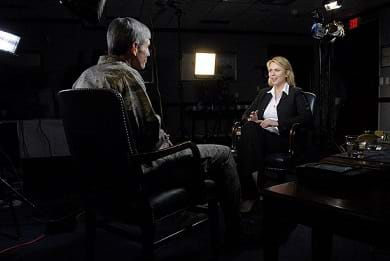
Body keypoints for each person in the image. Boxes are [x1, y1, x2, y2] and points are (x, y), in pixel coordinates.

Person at [72, 17, 241, 244]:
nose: (149, 53)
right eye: (147, 46)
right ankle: (235, 231)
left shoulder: (83, 78)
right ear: (134, 47)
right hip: (140, 174)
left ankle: (188, 208)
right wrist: (165, 138)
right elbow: (149, 134)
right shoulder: (126, 75)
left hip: (101, 178)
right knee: (224, 154)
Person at [237, 56, 312, 212]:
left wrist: (276, 122)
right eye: (270, 70)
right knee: (249, 128)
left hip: (282, 138)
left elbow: (306, 118)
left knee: (247, 139)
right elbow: (245, 115)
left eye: (277, 70)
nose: (272, 74)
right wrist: (254, 119)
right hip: (260, 137)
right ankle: (257, 190)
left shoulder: (295, 93)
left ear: (286, 73)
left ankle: (251, 193)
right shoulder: (264, 93)